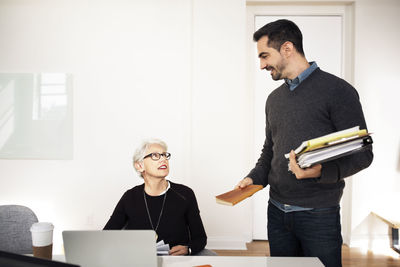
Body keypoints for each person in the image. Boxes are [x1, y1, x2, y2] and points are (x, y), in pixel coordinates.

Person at [236, 19, 373, 267]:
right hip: (277, 213)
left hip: (319, 215)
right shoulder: (274, 99)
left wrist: (322, 171)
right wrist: (254, 178)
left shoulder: (339, 91)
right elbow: (270, 150)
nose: (261, 65)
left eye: (265, 56)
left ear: (287, 48)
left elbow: (363, 155)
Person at [104, 139, 207, 255]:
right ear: (139, 166)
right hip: (140, 260)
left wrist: (188, 249)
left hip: (176, 261)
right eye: (155, 156)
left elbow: (200, 238)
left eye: (164, 155)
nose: (163, 159)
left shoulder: (185, 194)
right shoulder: (130, 197)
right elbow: (107, 235)